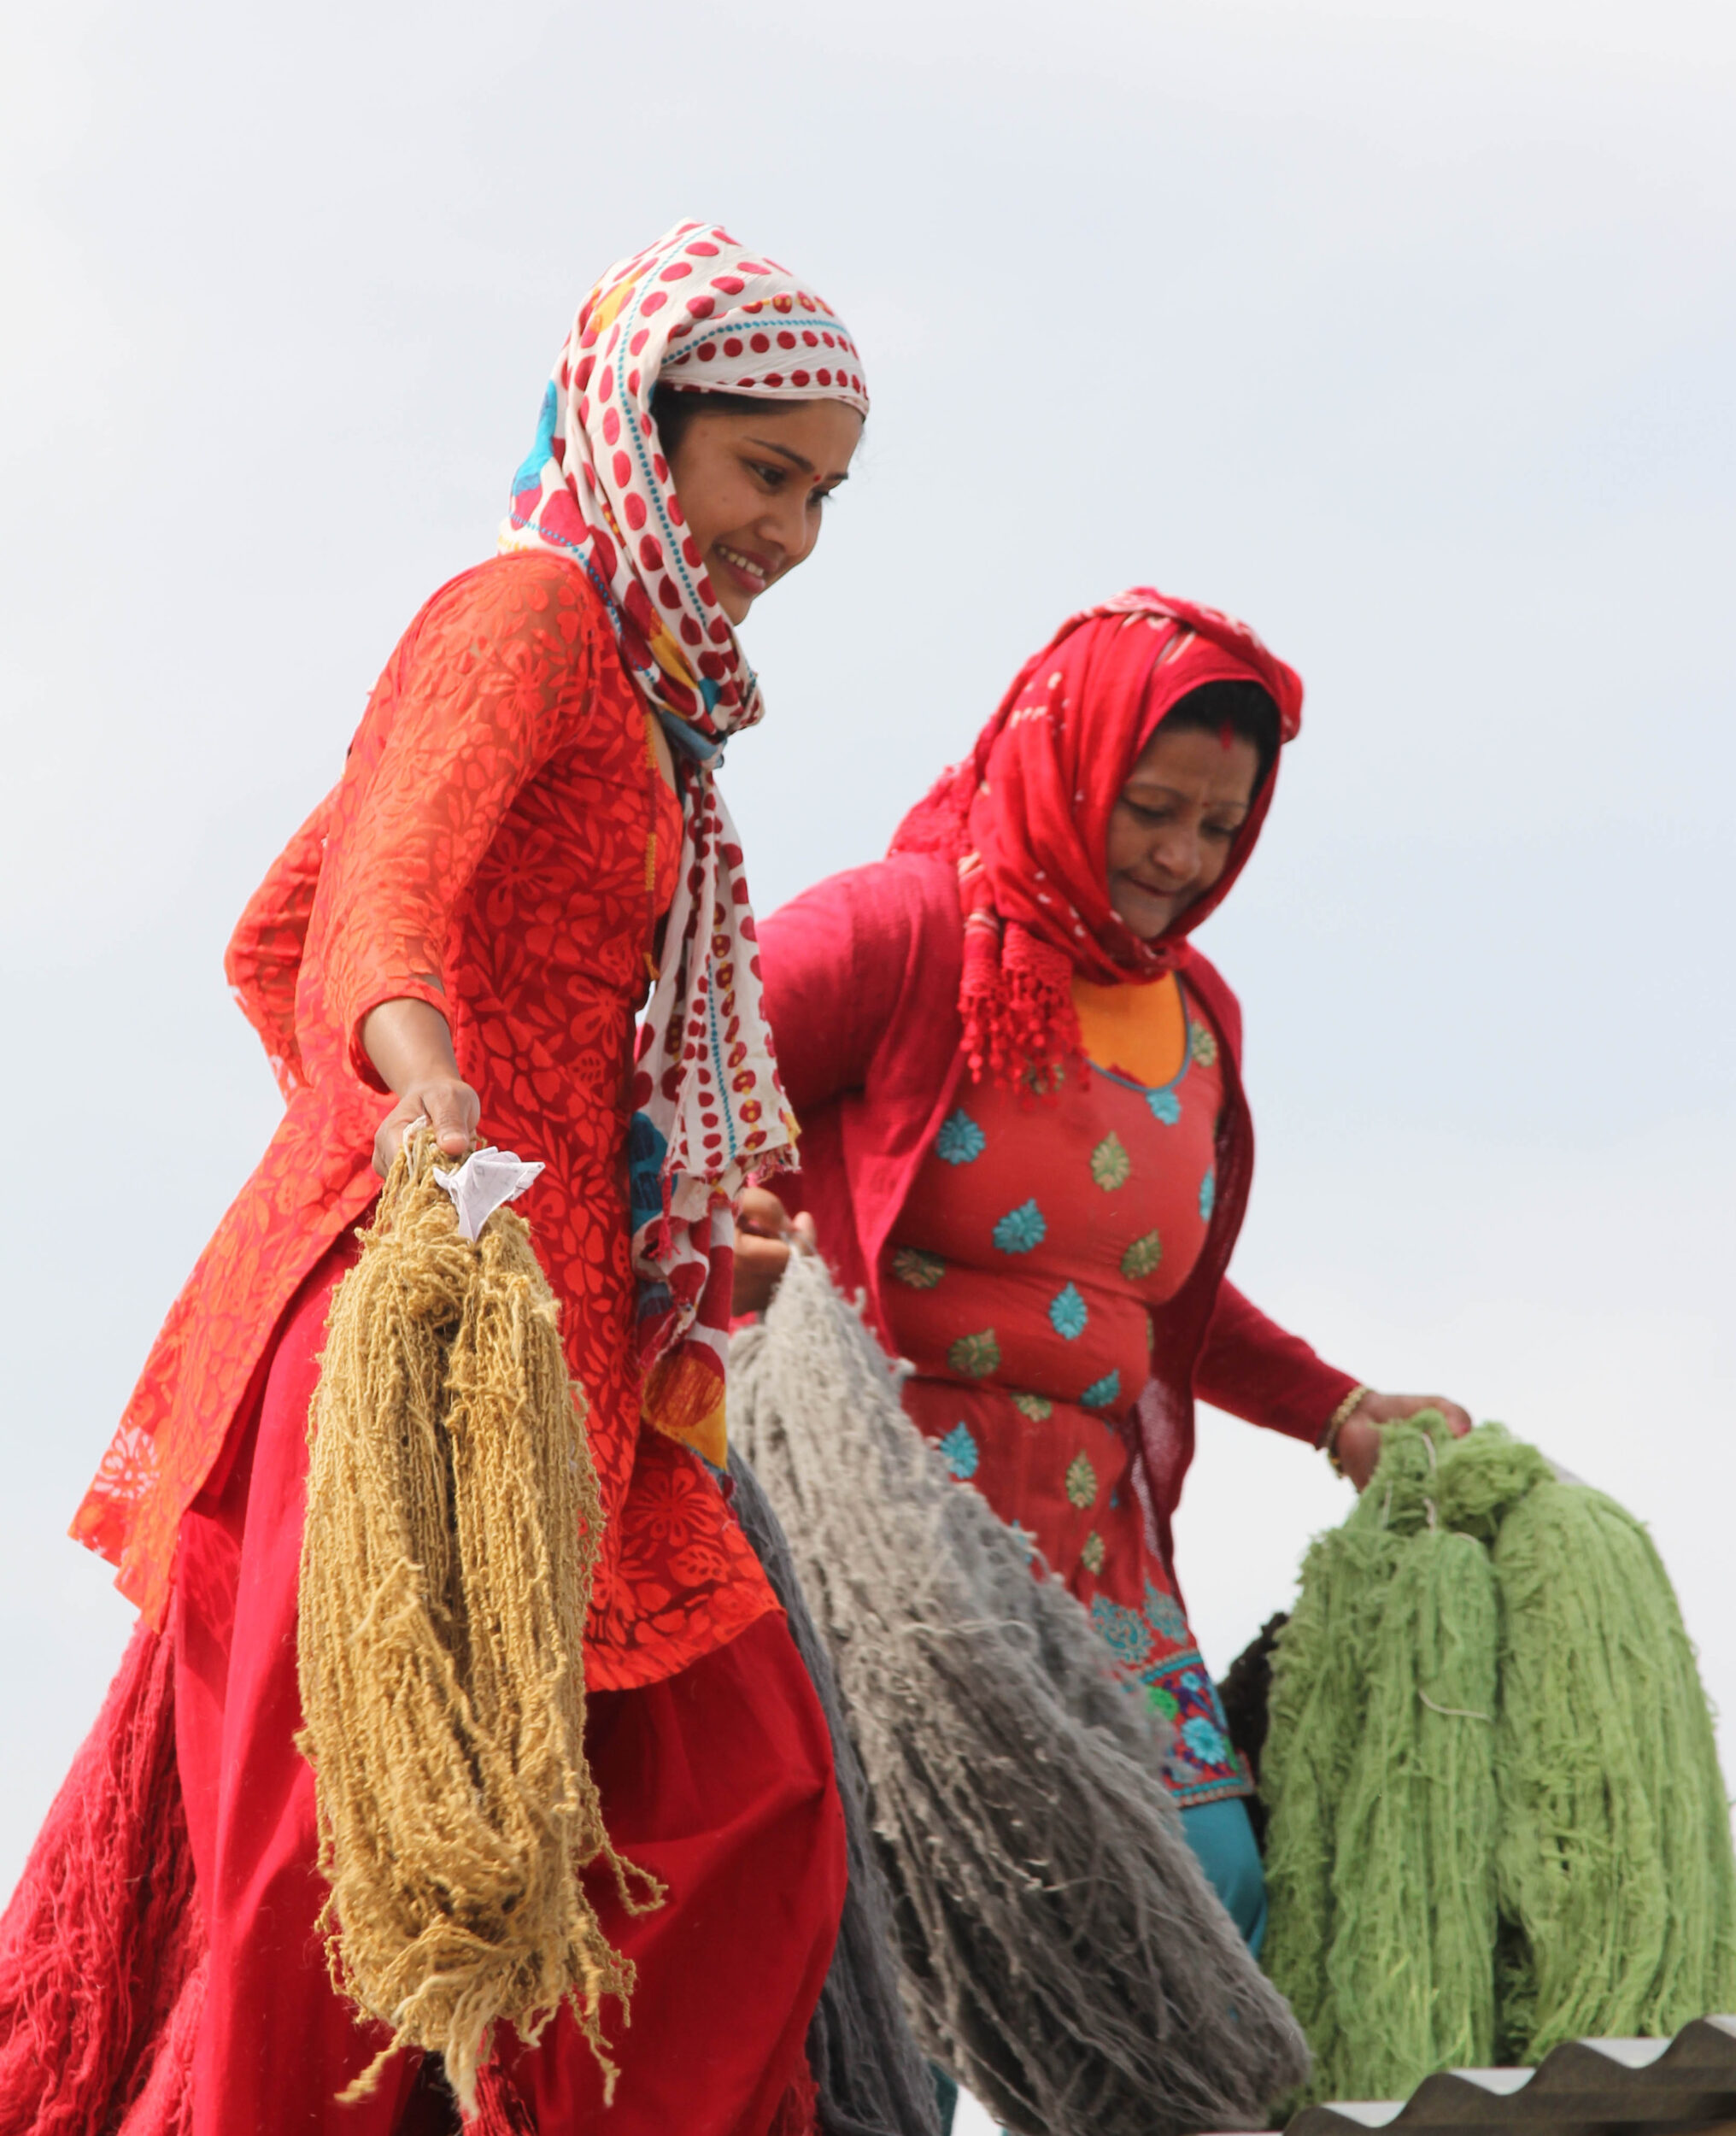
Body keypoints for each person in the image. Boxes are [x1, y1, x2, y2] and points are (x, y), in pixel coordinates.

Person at [4, 221, 869, 2136]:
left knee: (741, 1784)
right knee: (336, 1890)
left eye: (823, 494)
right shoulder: (526, 618)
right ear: (645, 434)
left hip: (547, 1361)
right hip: (402, 1339)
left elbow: (269, 931)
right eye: (763, 473)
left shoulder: (655, 707)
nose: (791, 534)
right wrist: (421, 1092)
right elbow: (362, 910)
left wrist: (654, 1186)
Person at [735, 588, 1471, 1973]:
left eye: (1221, 826)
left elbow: (1149, 1301)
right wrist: (718, 1231)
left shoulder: (1198, 1018)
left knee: (1202, 1895)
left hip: (1094, 1547)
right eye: (1153, 808)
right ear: (1069, 763)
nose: (1184, 857)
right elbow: (664, 1091)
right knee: (900, 1945)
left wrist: (1337, 1411)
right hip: (879, 1533)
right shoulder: (898, 935)